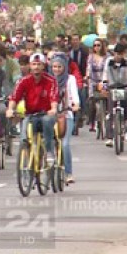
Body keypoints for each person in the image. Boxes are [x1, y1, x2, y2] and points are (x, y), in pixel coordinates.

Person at [6, 53, 59, 164]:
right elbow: (14, 97)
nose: (36, 67)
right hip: (30, 115)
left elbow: (54, 97)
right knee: (24, 137)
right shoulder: (23, 81)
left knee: (47, 121)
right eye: (34, 64)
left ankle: (49, 151)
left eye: (39, 64)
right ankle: (28, 160)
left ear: (43, 66)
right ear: (30, 66)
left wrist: (53, 109)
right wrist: (10, 109)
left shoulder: (51, 81)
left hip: (46, 114)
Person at [50, 55, 79, 184]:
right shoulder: (48, 79)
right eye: (54, 67)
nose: (57, 69)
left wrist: (75, 105)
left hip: (66, 115)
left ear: (64, 67)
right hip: (50, 116)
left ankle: (68, 172)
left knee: (65, 144)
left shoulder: (70, 79)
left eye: (59, 67)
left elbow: (74, 95)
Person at [101, 43, 127, 146]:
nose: (119, 56)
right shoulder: (109, 61)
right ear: (114, 53)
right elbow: (105, 74)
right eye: (117, 54)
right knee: (111, 111)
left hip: (124, 87)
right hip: (113, 87)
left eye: (121, 54)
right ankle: (109, 136)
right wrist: (104, 87)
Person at [86, 38, 107, 132]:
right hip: (93, 80)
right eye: (94, 45)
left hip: (104, 80)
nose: (96, 47)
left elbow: (108, 68)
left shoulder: (107, 56)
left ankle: (108, 116)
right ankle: (92, 123)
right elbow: (88, 68)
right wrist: (87, 76)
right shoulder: (91, 57)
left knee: (107, 97)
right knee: (92, 101)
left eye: (98, 45)